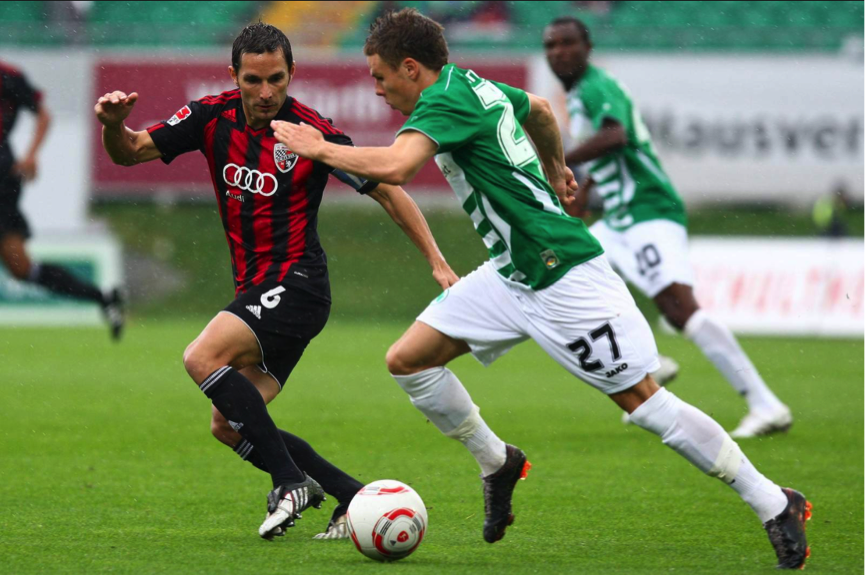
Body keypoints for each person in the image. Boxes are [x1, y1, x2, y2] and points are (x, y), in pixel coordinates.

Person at [271, 8, 812, 569]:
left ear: (411, 68)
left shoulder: (445, 101)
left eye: (380, 76)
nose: (376, 88)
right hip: (511, 273)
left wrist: (319, 148)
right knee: (410, 360)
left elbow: (396, 166)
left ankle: (775, 502)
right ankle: (497, 462)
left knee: (646, 404)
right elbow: (542, 111)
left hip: (563, 277)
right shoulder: (471, 84)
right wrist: (555, 168)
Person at [94, 22, 458, 540]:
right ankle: (351, 497)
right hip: (257, 289)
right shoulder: (210, 116)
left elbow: (389, 191)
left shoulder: (311, 130)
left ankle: (290, 482)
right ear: (234, 76)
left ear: (292, 74)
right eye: (254, 80)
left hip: (299, 282)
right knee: (229, 423)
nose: (266, 93)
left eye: (277, 79)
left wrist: (437, 260)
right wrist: (112, 124)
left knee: (201, 357)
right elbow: (129, 150)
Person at [543, 17, 792, 439]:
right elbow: (607, 158)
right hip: (620, 218)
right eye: (551, 45)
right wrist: (583, 193)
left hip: (647, 211)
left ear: (587, 47)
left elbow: (617, 136)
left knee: (680, 310)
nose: (559, 52)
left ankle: (766, 405)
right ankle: (652, 364)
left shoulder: (596, 86)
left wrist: (559, 161)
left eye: (568, 43)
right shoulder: (580, 95)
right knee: (569, 274)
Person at [1, 60, 124, 339]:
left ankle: (103, 298)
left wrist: (31, 154)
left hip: (3, 181)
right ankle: (103, 298)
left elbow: (43, 115)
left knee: (21, 267)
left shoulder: (8, 78)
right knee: (21, 268)